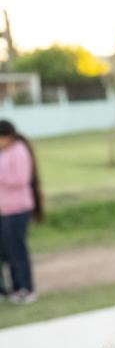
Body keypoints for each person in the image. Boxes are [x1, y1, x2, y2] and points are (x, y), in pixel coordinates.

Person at [0, 119, 44, 304]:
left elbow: (21, 179)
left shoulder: (19, 150)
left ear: (7, 137)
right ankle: (9, 289)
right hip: (3, 210)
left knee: (17, 251)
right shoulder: (3, 152)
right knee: (4, 252)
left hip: (17, 209)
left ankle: (25, 288)